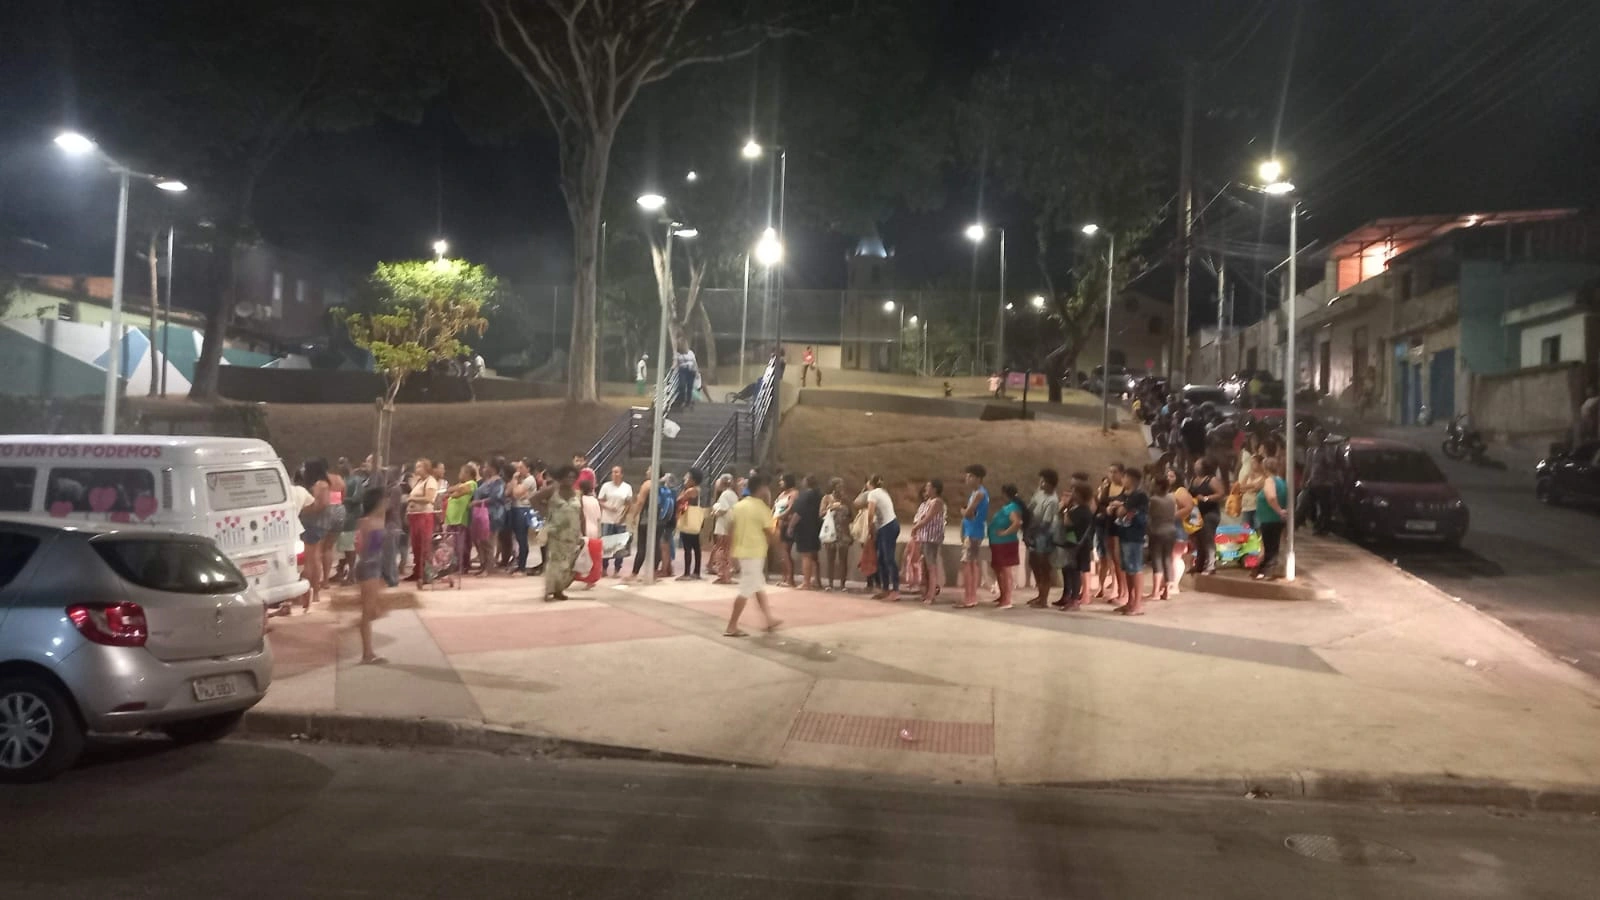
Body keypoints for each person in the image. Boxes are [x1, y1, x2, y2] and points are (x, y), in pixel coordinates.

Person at [724, 474, 783, 638]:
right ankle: (731, 626)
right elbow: (771, 532)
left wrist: (731, 552)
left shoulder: (739, 506)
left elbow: (730, 529)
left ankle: (769, 619)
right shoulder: (761, 508)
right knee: (746, 589)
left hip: (742, 552)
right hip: (755, 552)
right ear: (762, 488)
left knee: (757, 586)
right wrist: (778, 545)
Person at [532, 465, 582, 601]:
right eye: (567, 477)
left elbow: (580, 514)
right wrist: (545, 512)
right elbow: (534, 499)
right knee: (554, 561)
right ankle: (549, 589)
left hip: (572, 532)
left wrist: (582, 532)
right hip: (556, 532)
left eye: (573, 477)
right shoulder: (553, 490)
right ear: (561, 477)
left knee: (568, 562)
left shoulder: (577, 493)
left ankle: (559, 589)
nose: (570, 479)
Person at [353, 486, 389, 665]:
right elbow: (372, 548)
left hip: (367, 566)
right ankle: (367, 653)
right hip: (370, 567)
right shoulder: (373, 523)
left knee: (371, 611)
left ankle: (368, 651)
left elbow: (360, 547)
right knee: (368, 613)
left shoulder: (364, 522)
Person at [1107, 466, 1149, 615]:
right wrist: (1116, 507)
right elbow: (1112, 508)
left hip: (1135, 536)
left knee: (1135, 569)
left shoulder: (1139, 495)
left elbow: (1121, 511)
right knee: (1127, 569)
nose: (1122, 479)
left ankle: (1137, 604)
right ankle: (1129, 601)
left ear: (1132, 479)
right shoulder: (1124, 494)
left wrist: (1118, 507)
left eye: (1124, 477)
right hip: (1123, 534)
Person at [1054, 483, 1095, 610]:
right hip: (1070, 542)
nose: (1072, 494)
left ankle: (1074, 600)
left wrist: (1066, 509)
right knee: (1067, 569)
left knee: (1075, 571)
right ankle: (1067, 596)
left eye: (1074, 492)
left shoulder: (1083, 510)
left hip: (1078, 544)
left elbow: (1067, 523)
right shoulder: (1075, 508)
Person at [859, 474, 900, 601]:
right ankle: (885, 589)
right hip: (888, 525)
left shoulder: (873, 494)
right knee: (882, 559)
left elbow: (870, 513)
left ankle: (895, 590)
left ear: (870, 483)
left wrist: (870, 528)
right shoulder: (883, 492)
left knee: (889, 558)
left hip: (888, 526)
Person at [1026, 469, 1061, 608]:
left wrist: (1031, 531)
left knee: (1043, 566)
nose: (1041, 484)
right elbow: (1030, 508)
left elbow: (1045, 523)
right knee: (1033, 563)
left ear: (1051, 484)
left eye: (1044, 481)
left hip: (1044, 537)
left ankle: (1044, 598)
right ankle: (1040, 594)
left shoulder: (1052, 500)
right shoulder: (1039, 493)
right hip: (1034, 534)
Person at [987, 484, 1026, 610]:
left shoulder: (1012, 507)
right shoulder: (1008, 507)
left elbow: (1017, 522)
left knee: (1005, 570)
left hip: (1005, 543)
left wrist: (1004, 533)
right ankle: (1003, 595)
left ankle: (1007, 599)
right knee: (999, 569)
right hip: (998, 542)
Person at [1092, 463, 1126, 603]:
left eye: (1115, 472)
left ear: (1122, 473)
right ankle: (1118, 590)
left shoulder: (1125, 488)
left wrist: (1119, 506)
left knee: (1119, 559)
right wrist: (1105, 509)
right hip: (1108, 526)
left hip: (1121, 527)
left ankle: (1123, 591)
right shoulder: (1107, 488)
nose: (1112, 474)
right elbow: (1100, 505)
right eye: (1110, 471)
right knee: (1111, 558)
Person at [958, 464, 990, 609]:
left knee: (967, 563)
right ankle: (972, 596)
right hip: (973, 531)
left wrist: (963, 511)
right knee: (972, 563)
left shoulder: (979, 494)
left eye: (970, 476)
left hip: (973, 532)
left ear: (978, 478)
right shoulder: (976, 493)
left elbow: (968, 513)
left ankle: (969, 598)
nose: (967, 478)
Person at [1255, 455, 1290, 579]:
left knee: (1270, 547)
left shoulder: (1269, 481)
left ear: (1265, 468)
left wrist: (1279, 511)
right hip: (1275, 519)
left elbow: (1271, 497)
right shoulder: (1282, 481)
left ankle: (1268, 571)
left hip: (1269, 518)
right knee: (1272, 545)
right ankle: (1263, 569)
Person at [911, 480, 947, 604]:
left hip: (931, 538)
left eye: (928, 487)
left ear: (935, 489)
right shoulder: (927, 502)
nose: (926, 489)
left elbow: (927, 518)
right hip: (924, 537)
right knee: (925, 566)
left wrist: (915, 528)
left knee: (931, 566)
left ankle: (931, 595)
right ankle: (926, 592)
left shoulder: (937, 502)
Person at [405, 459, 439, 584]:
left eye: (419, 466)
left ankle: (427, 574)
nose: (417, 469)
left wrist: (412, 499)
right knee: (416, 545)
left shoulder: (430, 481)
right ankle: (417, 572)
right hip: (414, 516)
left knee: (424, 545)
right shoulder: (419, 481)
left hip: (424, 516)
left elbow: (429, 498)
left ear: (426, 468)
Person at [1188, 458, 1224, 575]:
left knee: (1208, 539)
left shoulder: (1211, 480)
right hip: (1195, 512)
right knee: (1198, 539)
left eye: (1198, 464)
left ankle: (1211, 565)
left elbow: (1221, 494)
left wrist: (1206, 498)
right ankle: (1199, 564)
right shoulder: (1194, 479)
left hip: (1210, 512)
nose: (1195, 466)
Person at [470, 460, 506, 576]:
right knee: (482, 540)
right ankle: (484, 565)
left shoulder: (498, 482)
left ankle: (489, 567)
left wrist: (478, 502)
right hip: (482, 514)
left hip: (493, 515)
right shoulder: (487, 481)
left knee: (489, 541)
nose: (484, 469)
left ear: (493, 468)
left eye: (486, 467)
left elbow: (496, 498)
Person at [1146, 473, 1177, 602]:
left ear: (1158, 486)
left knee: (1157, 560)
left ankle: (1155, 592)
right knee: (1167, 559)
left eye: (1153, 483)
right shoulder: (1172, 498)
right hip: (1171, 530)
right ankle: (1167, 591)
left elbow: (1148, 517)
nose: (1151, 485)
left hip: (1157, 531)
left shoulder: (1153, 500)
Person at [597, 465, 633, 575]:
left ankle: (617, 569)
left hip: (620, 520)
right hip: (607, 519)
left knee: (619, 545)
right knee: (606, 544)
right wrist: (608, 507)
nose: (614, 474)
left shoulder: (627, 487)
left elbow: (628, 504)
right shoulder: (606, 486)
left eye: (617, 472)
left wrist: (623, 517)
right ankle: (604, 568)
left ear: (621, 474)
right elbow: (600, 500)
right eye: (613, 472)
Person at [1300, 427, 1336, 535]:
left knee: (1324, 507)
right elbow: (1307, 467)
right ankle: (1303, 522)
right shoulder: (1310, 451)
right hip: (1312, 482)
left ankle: (1322, 528)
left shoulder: (1327, 450)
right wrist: (1304, 480)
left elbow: (1331, 464)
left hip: (1324, 483)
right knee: (1306, 503)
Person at [791, 475, 824, 590]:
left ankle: (806, 582)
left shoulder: (805, 495)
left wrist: (791, 526)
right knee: (814, 555)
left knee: (806, 555)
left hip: (805, 528)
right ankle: (817, 580)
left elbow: (798, 512)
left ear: (806, 482)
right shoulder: (819, 495)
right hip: (817, 526)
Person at [823, 478, 854, 591]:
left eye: (842, 486)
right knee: (830, 559)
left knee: (843, 559)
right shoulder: (826, 498)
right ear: (833, 487)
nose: (841, 488)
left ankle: (842, 584)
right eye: (838, 486)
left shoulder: (846, 500)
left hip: (843, 532)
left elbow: (852, 516)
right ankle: (830, 584)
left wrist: (845, 515)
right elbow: (821, 514)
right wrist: (830, 508)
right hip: (831, 532)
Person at [509, 459, 537, 575]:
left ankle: (522, 567)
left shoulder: (529, 480)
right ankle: (519, 564)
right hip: (516, 508)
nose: (518, 470)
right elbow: (511, 492)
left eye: (521, 467)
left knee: (522, 538)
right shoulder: (522, 480)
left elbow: (516, 493)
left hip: (523, 510)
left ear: (528, 469)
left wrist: (515, 480)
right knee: (517, 537)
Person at [676, 469, 704, 581]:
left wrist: (683, 490)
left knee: (688, 547)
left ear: (693, 480)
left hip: (689, 520)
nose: (685, 479)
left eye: (687, 477)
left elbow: (679, 499)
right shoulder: (697, 489)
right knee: (696, 546)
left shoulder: (691, 490)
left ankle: (687, 573)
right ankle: (696, 571)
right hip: (693, 521)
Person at [710, 474, 738, 584]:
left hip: (723, 525)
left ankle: (723, 575)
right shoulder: (733, 494)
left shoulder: (725, 494)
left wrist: (715, 512)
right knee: (727, 550)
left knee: (722, 549)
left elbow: (723, 509)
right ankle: (726, 574)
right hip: (731, 524)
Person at [772, 474, 799, 588]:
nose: (780, 483)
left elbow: (791, 508)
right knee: (781, 553)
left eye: (782, 481)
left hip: (785, 524)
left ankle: (790, 579)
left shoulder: (794, 493)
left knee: (786, 552)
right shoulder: (781, 494)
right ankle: (784, 577)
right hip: (776, 523)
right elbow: (775, 507)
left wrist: (780, 516)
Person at [578, 476, 604, 588]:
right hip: (594, 529)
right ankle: (591, 580)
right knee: (593, 556)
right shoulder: (595, 501)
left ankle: (583, 577)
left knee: (583, 556)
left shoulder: (580, 500)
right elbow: (598, 517)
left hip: (584, 530)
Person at [674, 342, 698, 411]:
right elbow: (676, 363)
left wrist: (696, 371)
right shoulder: (678, 354)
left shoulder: (690, 353)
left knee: (690, 386)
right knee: (682, 385)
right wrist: (675, 370)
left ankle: (688, 401)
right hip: (683, 370)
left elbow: (694, 362)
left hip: (691, 370)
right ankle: (682, 400)